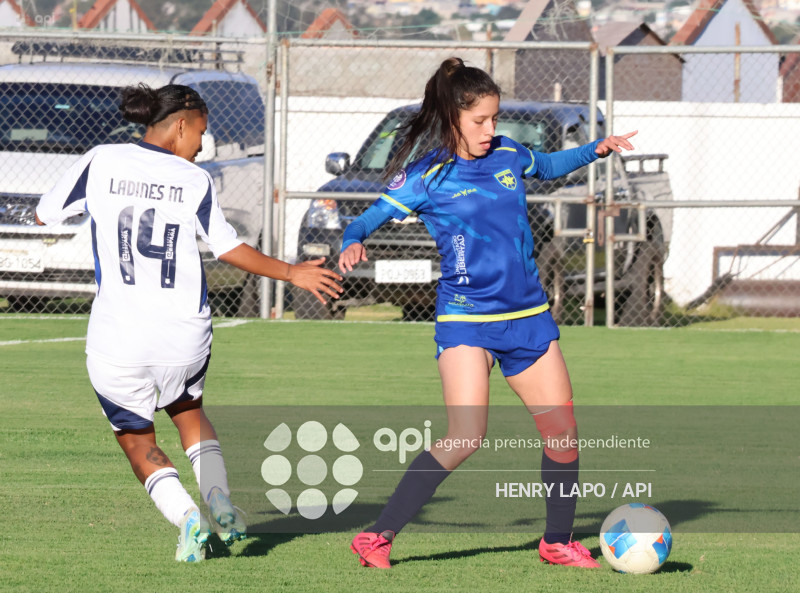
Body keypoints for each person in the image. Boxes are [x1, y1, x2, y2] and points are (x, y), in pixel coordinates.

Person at [339, 57, 636, 569]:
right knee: (466, 436)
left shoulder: (508, 154)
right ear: (453, 115)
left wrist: (596, 150)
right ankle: (377, 536)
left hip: (529, 318)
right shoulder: (428, 175)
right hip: (466, 320)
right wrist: (351, 240)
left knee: (562, 433)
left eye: (494, 119)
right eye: (480, 121)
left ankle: (557, 542)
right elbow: (370, 215)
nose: (490, 129)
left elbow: (544, 167)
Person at [35, 83, 343, 562]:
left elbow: (44, 214)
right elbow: (226, 247)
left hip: (119, 338)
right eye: (200, 131)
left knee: (137, 441)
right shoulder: (193, 180)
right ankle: (219, 499)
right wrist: (291, 272)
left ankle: (186, 517)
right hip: (184, 333)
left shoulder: (101, 160)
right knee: (190, 412)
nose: (200, 144)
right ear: (180, 124)